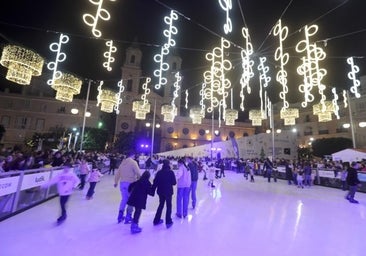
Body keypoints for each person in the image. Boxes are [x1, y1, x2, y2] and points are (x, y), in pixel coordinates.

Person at [114, 151, 141, 224]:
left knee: (124, 199)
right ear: (132, 155)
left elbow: (118, 173)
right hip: (131, 183)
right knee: (131, 200)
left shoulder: (122, 163)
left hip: (122, 183)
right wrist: (140, 179)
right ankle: (128, 216)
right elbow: (138, 173)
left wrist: (116, 182)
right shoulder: (133, 162)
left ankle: (120, 215)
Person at [152, 159, 177, 228]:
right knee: (169, 206)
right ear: (168, 164)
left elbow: (155, 182)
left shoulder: (159, 173)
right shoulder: (171, 172)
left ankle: (156, 220)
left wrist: (152, 190)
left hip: (161, 191)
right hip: (168, 192)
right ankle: (168, 221)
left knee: (161, 205)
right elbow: (174, 183)